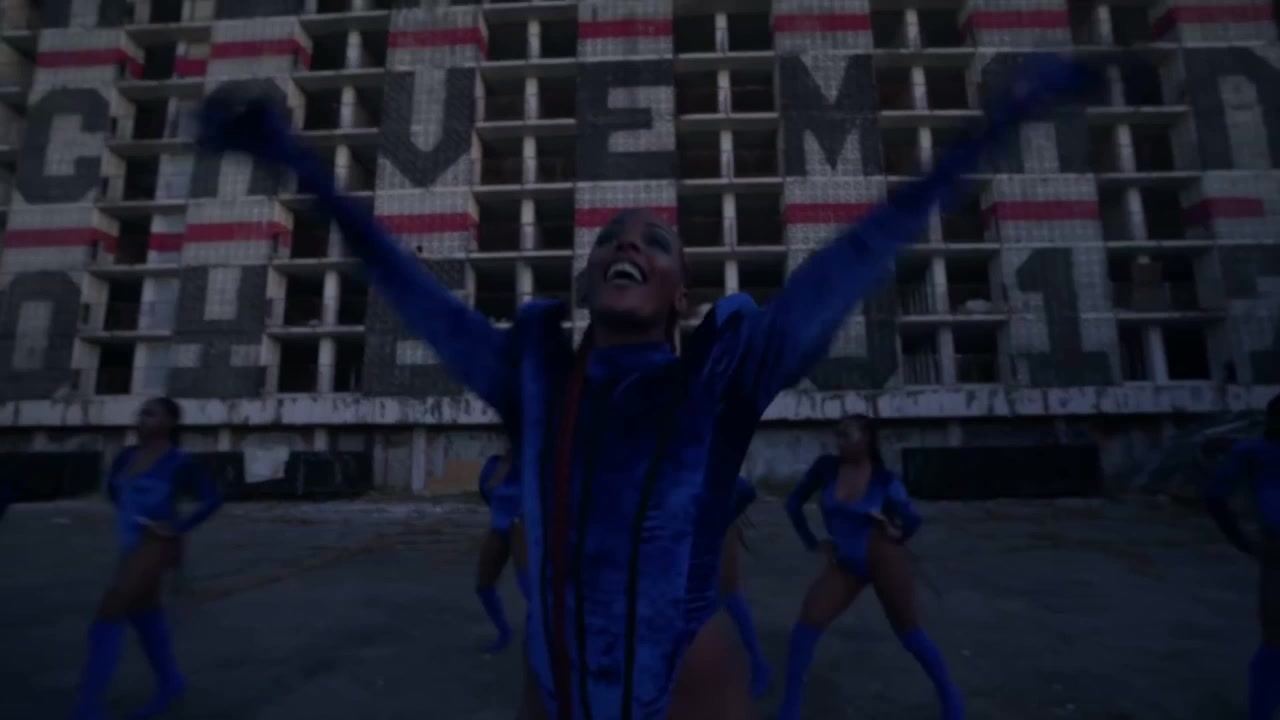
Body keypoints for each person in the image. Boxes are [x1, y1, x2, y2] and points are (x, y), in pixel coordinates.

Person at [196, 54, 1095, 720]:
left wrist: (999, 125)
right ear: (589, 279)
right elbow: (400, 278)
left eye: (654, 242)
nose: (627, 243)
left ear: (679, 296)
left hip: (690, 673)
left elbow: (867, 243)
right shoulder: (530, 376)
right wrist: (294, 160)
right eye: (611, 240)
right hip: (551, 681)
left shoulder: (724, 378)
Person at [778, 414, 961, 720]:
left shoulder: (884, 480)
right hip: (845, 562)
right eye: (838, 435)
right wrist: (812, 542)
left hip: (884, 558)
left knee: (910, 633)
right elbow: (792, 503)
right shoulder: (826, 468)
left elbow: (912, 520)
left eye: (847, 435)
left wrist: (894, 531)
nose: (840, 442)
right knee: (806, 627)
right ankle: (790, 711)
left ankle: (950, 697)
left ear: (866, 439)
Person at [71, 397, 223, 720]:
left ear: (170, 422)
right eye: (142, 413)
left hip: (156, 544)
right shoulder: (126, 456)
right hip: (131, 544)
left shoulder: (178, 462)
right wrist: (134, 514)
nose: (142, 418)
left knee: (110, 611)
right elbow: (115, 492)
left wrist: (177, 527)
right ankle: (171, 682)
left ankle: (88, 707)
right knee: (144, 614)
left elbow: (213, 498)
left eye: (151, 414)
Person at [1204, 393, 1280, 720]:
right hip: (1276, 556)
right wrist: (1244, 542)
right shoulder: (1255, 452)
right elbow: (1215, 497)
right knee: (1275, 642)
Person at [720, 475, 771, 698]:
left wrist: (726, 516)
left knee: (730, 593)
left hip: (717, 529)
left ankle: (759, 664)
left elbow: (746, 490)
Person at [475, 444, 529, 654]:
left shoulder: (532, 465)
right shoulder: (493, 465)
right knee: (483, 585)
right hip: (499, 526)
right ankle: (504, 633)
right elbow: (486, 491)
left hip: (521, 526)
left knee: (528, 586)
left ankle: (545, 637)